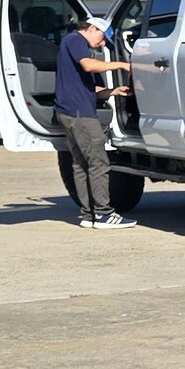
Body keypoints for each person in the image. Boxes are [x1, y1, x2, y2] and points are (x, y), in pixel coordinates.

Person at [54, 14, 135, 230]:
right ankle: (103, 214)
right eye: (101, 39)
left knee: (81, 163)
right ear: (92, 28)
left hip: (70, 111)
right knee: (99, 161)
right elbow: (89, 66)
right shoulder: (75, 41)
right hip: (80, 114)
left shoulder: (74, 45)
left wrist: (113, 91)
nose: (101, 45)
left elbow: (90, 89)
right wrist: (121, 65)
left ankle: (88, 214)